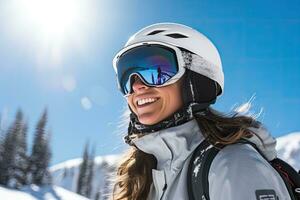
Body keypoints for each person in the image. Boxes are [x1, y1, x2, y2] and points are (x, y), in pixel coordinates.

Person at [111, 23, 291, 200]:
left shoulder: (233, 165)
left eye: (156, 71)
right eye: (126, 76)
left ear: (195, 79)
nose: (136, 85)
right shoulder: (138, 175)